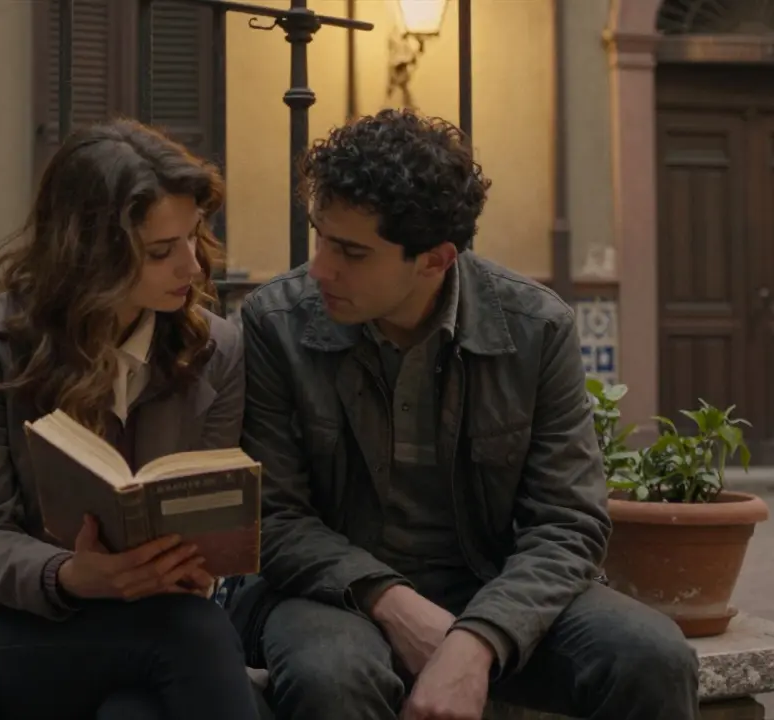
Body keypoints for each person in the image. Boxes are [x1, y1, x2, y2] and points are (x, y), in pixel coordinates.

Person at [227, 108, 700, 720]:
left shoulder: (536, 328)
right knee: (333, 675)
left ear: (435, 259)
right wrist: (392, 601)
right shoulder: (276, 323)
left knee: (653, 655)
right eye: (320, 237)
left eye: (350, 251)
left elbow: (568, 521)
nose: (320, 268)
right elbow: (274, 517)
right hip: (330, 591)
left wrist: (477, 640)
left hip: (492, 583)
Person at [0, 118, 260, 720]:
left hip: (159, 617)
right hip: (16, 624)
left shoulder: (215, 351)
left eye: (193, 236)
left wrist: (190, 564)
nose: (194, 267)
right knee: (190, 636)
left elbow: (209, 513)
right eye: (161, 251)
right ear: (90, 255)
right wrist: (73, 575)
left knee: (135, 712)